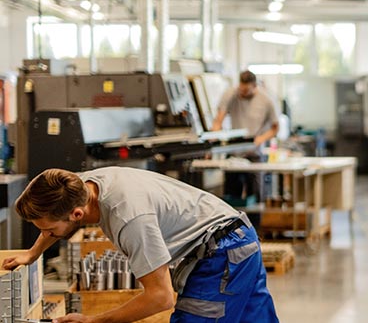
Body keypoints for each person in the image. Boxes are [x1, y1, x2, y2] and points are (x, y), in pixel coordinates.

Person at [4, 167, 278, 323]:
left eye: (49, 230)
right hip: (239, 238)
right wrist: (32, 254)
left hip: (223, 254)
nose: (45, 234)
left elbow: (161, 297)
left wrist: (94, 320)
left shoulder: (129, 218)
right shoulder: (76, 186)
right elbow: (53, 219)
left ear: (77, 214)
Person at [210, 70, 279, 201]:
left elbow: (275, 128)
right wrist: (212, 141)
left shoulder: (266, 101)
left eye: (246, 91)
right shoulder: (231, 94)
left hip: (254, 154)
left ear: (255, 86)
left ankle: (255, 222)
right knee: (231, 197)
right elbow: (218, 120)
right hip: (234, 153)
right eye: (241, 90)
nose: (242, 94)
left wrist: (260, 139)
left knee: (256, 198)